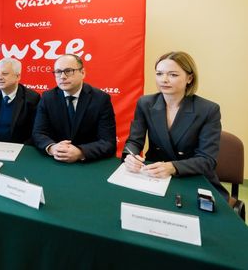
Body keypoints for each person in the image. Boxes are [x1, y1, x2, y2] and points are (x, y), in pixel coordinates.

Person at [123, 51, 227, 199]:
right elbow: (134, 141)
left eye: (173, 75)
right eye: (159, 74)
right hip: (154, 175)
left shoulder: (208, 110)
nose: (164, 80)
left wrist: (172, 167)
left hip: (192, 177)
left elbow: (207, 160)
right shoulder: (145, 103)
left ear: (189, 78)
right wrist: (130, 156)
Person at [32, 54, 116, 162]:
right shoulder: (47, 98)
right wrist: (52, 148)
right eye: (58, 72)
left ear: (83, 73)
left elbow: (108, 142)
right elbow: (38, 133)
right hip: (56, 160)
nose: (62, 76)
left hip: (88, 163)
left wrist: (80, 152)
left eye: (68, 71)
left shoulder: (100, 99)